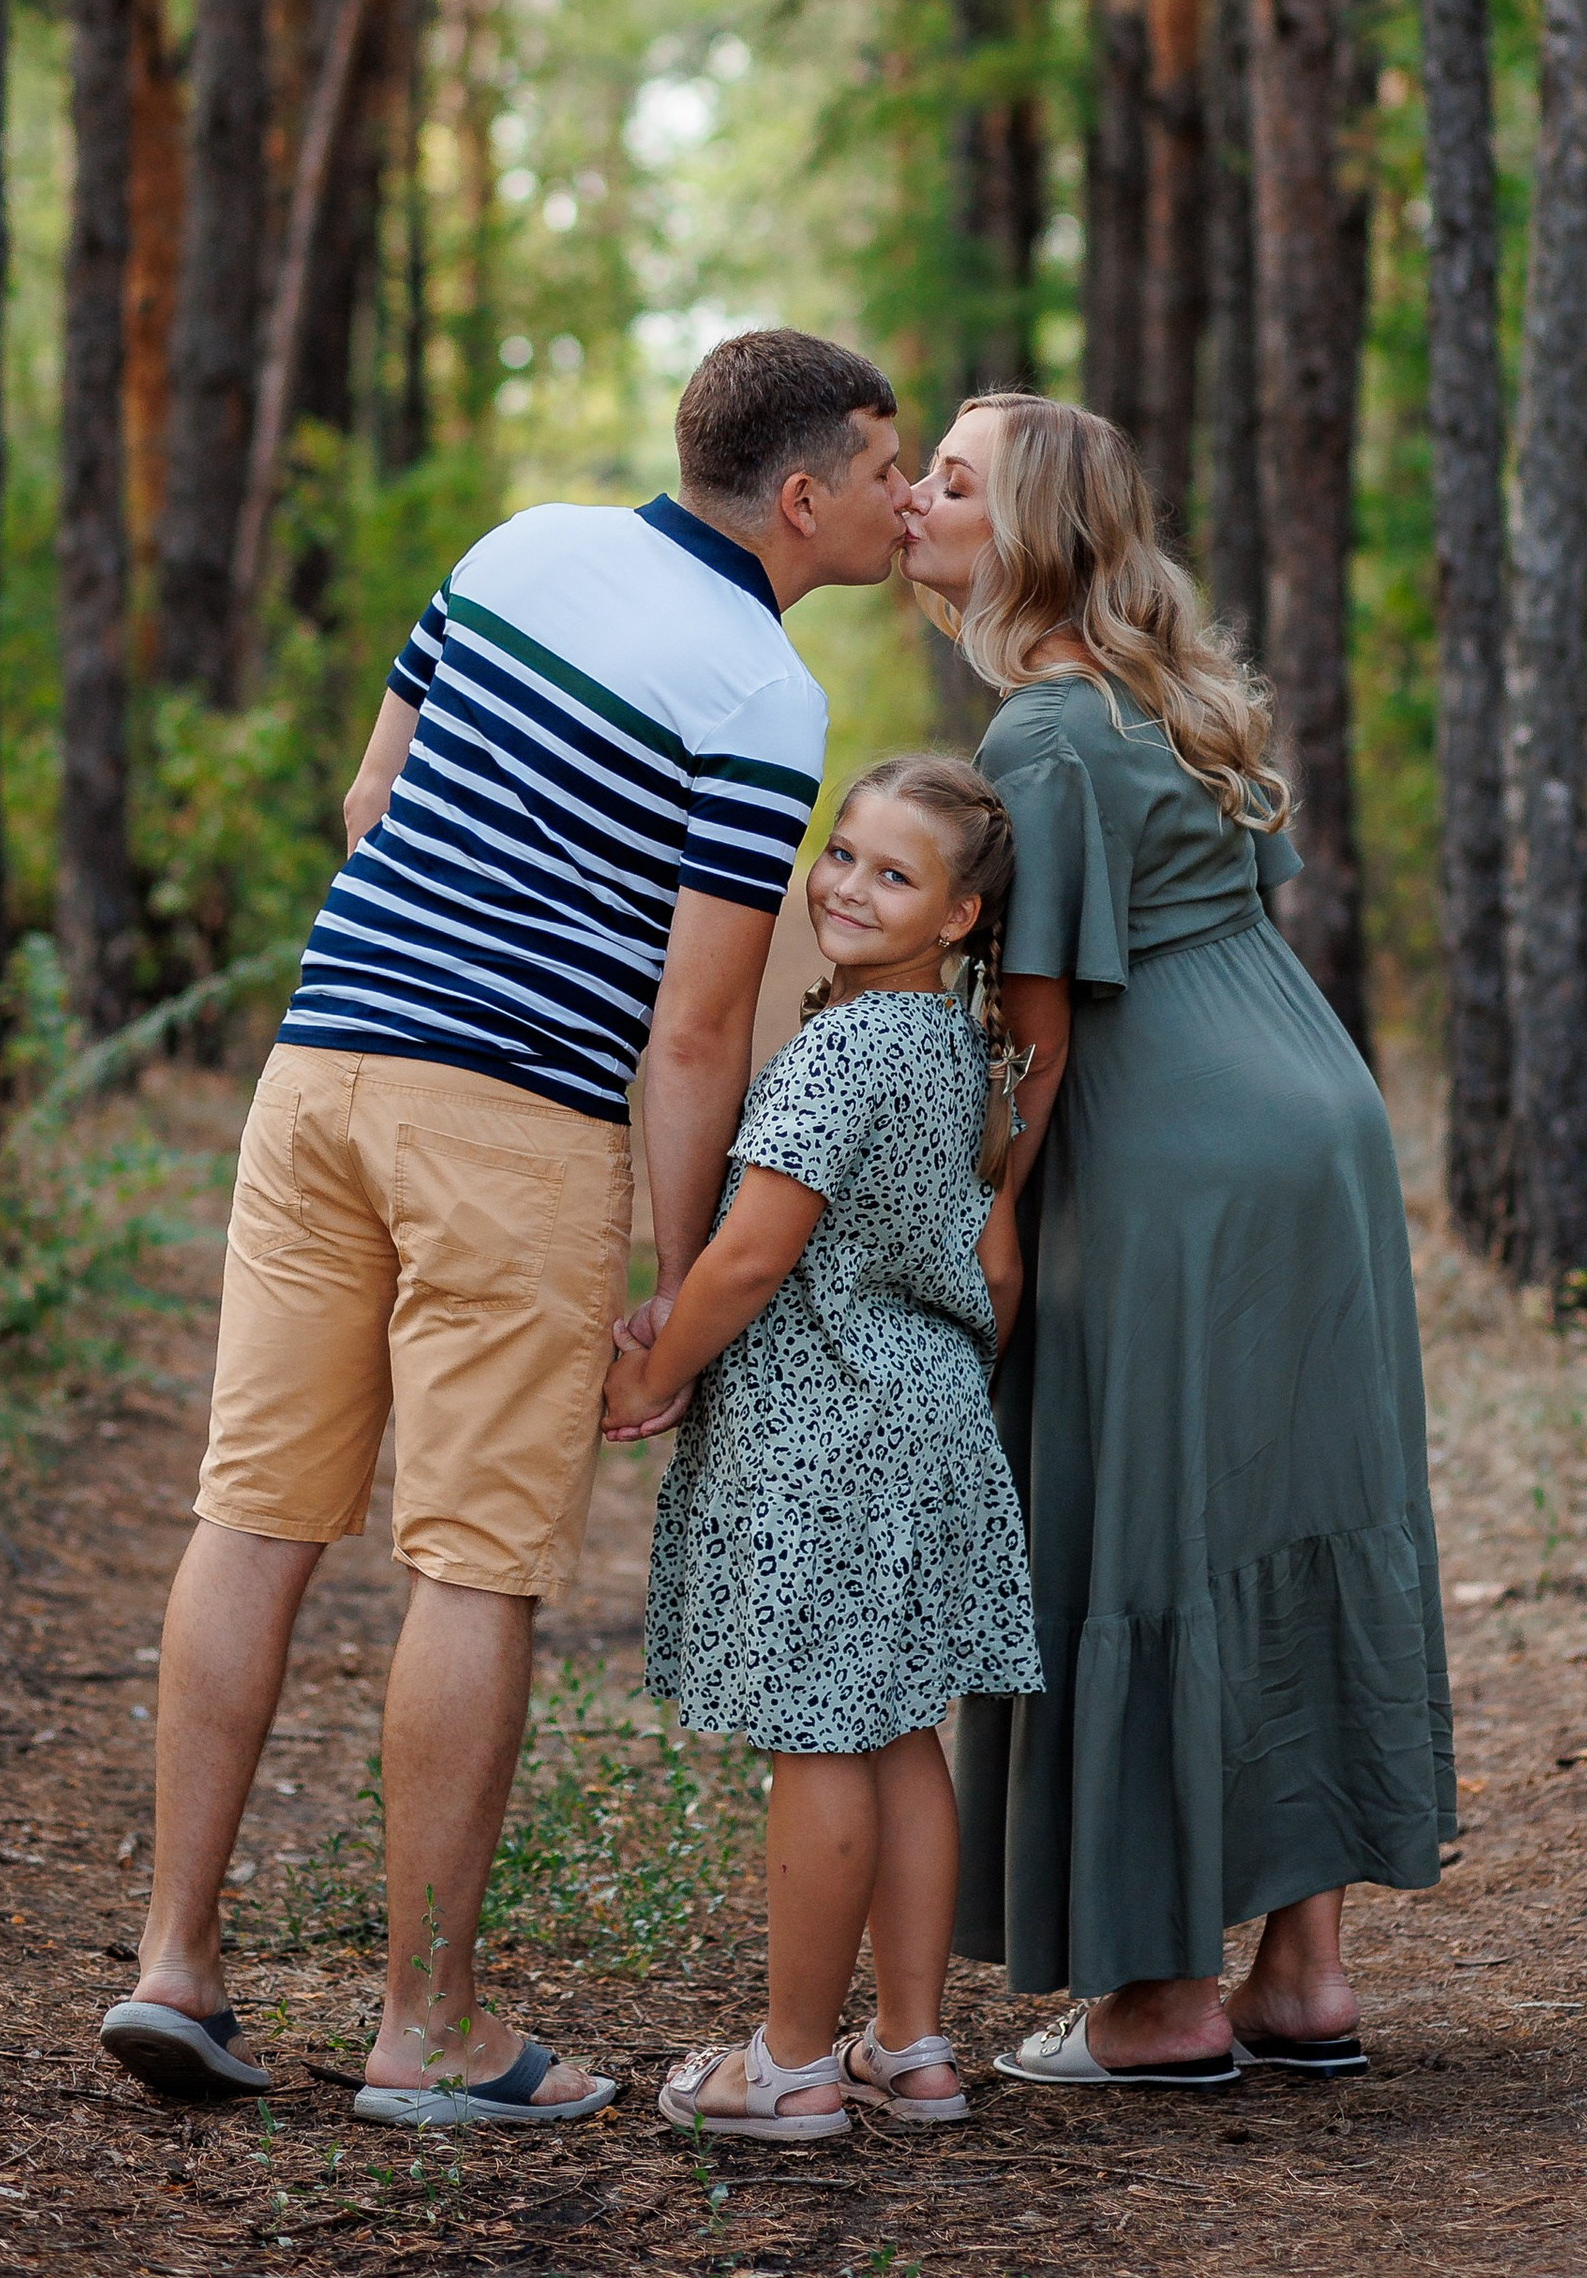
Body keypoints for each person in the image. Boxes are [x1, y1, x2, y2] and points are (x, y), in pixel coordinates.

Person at [100, 330, 909, 2126]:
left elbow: (369, 799)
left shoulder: (514, 547)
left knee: (251, 1513)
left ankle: (174, 1964)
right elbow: (696, 1030)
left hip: (317, 1077)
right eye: (882, 461)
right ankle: (429, 2027)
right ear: (800, 497)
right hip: (516, 1125)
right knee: (472, 1564)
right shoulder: (762, 695)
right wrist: (682, 1282)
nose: (901, 490)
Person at [899, 393, 1455, 2090]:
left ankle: (1156, 2000)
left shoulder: (1041, 738)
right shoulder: (1164, 692)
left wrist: (988, 1217)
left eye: (952, 480)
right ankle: (1301, 1974)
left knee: (1138, 1519)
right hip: (1314, 1122)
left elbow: (1042, 1026)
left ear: (1031, 533)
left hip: (1176, 1161)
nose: (913, 499)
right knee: (1288, 1507)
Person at [605, 757, 1042, 2138]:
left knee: (820, 1736)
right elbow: (997, 1260)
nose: (848, 886)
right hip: (928, 1411)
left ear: (959, 915)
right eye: (841, 853)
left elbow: (747, 1260)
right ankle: (910, 2047)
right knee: (906, 1729)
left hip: (826, 1427)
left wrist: (649, 1376)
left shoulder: (848, 1051)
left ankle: (789, 2065)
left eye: (894, 873)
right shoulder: (954, 1049)